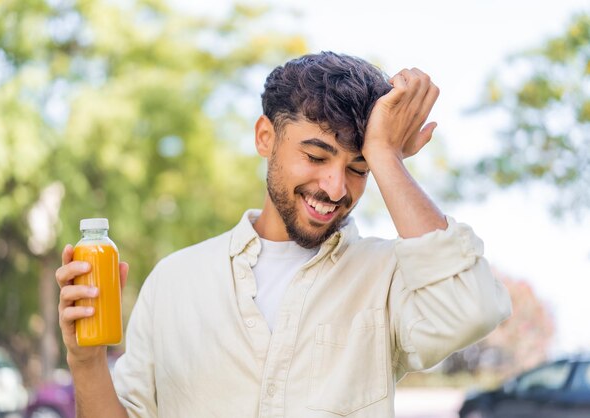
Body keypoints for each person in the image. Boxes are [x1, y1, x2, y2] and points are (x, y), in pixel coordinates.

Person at [55, 51, 511, 418]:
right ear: (265, 137)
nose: (335, 188)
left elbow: (470, 309)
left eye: (357, 168)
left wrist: (386, 154)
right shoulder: (173, 282)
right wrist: (87, 362)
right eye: (316, 156)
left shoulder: (386, 277)